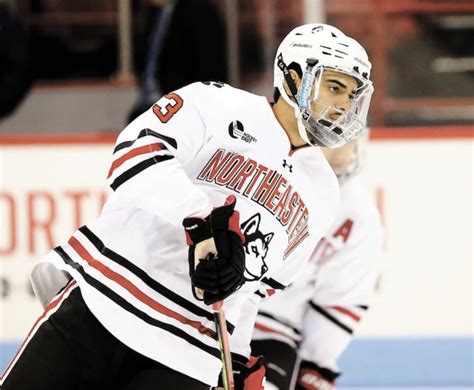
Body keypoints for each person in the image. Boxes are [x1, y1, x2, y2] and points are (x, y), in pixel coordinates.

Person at [1, 23, 373, 390]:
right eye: (335, 87)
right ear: (293, 78)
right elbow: (134, 155)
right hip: (105, 304)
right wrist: (202, 223)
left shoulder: (324, 193)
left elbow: (254, 291)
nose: (344, 105)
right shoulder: (215, 103)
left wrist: (238, 360)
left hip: (191, 353)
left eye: (351, 95)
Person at [251, 134, 384, 389]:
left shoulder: (358, 215)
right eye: (332, 140)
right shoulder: (266, 169)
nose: (342, 152)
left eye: (350, 141)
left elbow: (341, 298)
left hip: (272, 332)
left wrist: (315, 364)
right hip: (205, 312)